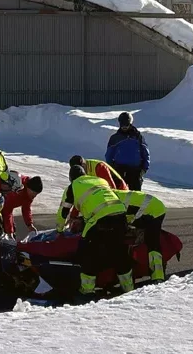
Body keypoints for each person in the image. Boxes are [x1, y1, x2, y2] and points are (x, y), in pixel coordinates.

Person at [56, 165, 134, 297]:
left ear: (71, 178)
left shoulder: (73, 186)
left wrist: (59, 230)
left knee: (87, 254)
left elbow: (63, 212)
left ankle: (87, 291)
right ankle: (128, 289)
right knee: (119, 252)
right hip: (120, 216)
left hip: (100, 220)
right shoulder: (99, 180)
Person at [114, 190, 166, 283]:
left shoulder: (110, 203)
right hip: (150, 206)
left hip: (154, 211)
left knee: (152, 242)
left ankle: (158, 277)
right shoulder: (109, 195)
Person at [105, 111, 150, 191]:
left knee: (135, 197)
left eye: (126, 124)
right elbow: (109, 155)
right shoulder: (115, 138)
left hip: (135, 170)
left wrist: (144, 169)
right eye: (122, 125)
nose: (124, 127)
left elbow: (145, 153)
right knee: (120, 194)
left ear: (130, 123)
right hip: (119, 170)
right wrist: (112, 169)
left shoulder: (138, 137)